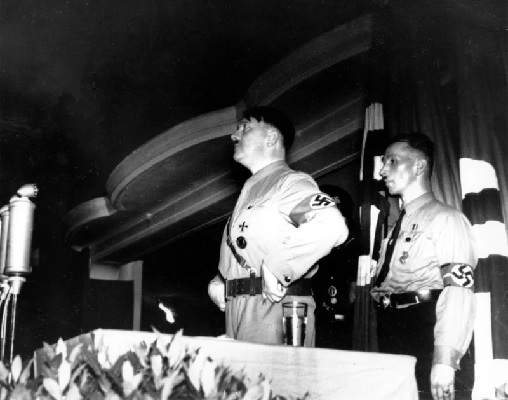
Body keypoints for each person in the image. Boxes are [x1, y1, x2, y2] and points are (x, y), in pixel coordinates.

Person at [208, 106, 348, 347]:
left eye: (245, 127)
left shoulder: (288, 184)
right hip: (240, 308)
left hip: (274, 308)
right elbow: (253, 247)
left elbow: (329, 223)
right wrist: (221, 279)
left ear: (271, 138)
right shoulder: (254, 189)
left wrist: (279, 266)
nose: (234, 135)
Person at [371, 133, 477, 400]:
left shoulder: (447, 219)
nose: (383, 170)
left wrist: (444, 360)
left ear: (419, 165)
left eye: (391, 161)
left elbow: (458, 292)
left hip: (427, 331)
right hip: (393, 329)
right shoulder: (397, 227)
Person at [312, 185, 360, 350]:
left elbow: (354, 291)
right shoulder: (313, 244)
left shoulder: (353, 246)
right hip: (316, 317)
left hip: (341, 322)